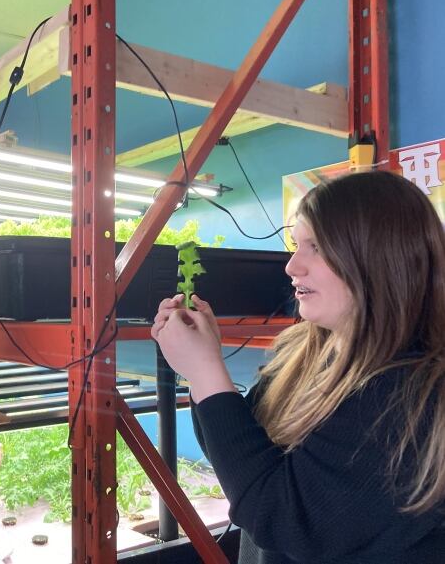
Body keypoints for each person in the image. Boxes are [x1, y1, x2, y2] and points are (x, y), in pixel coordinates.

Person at [152, 171, 445, 563]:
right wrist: (203, 367)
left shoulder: (411, 391)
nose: (292, 266)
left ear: (381, 258)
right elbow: (239, 459)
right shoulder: (301, 352)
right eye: (296, 245)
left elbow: (283, 518)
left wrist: (205, 370)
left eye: (317, 247)